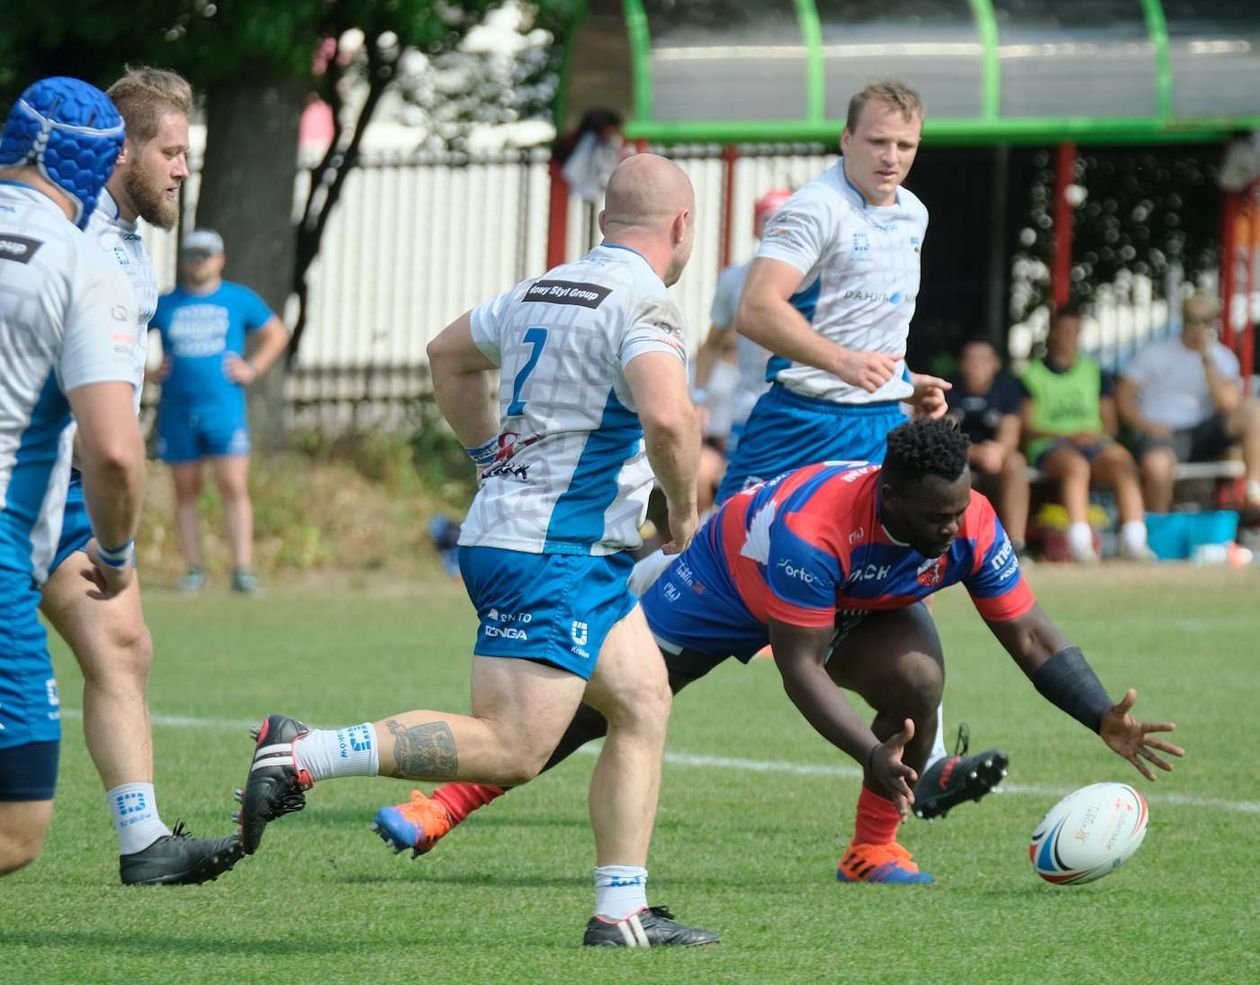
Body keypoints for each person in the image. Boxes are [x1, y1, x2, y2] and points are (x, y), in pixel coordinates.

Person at [237, 154, 718, 948]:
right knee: (514, 748)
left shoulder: (542, 289)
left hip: (537, 542)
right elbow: (670, 421)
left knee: (642, 698)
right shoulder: (648, 304)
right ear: (681, 227)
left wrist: (488, 450)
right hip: (554, 554)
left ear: (604, 220)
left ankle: (621, 909)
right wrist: (686, 513)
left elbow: (446, 353)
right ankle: (308, 749)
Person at [360, 420, 1184, 884]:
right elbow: (798, 666)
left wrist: (1099, 714)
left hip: (859, 597)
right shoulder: (815, 528)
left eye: (960, 508)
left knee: (919, 679)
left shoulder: (965, 518)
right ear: (888, 494)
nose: (954, 524)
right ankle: (449, 802)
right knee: (607, 700)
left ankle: (874, 847)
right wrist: (868, 750)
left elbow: (1032, 633)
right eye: (937, 514)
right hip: (728, 575)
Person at [708, 78, 998, 801]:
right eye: (877, 141)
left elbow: (876, 334)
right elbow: (756, 310)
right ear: (846, 139)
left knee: (892, 579)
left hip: (875, 426)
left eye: (905, 144)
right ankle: (589, 654)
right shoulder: (816, 209)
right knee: (704, 560)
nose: (891, 156)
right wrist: (843, 364)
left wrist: (907, 385)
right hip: (798, 423)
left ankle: (926, 767)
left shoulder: (915, 214)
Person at [35, 66, 244, 885]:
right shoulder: (74, 238)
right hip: (34, 481)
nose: (183, 170)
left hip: (60, 486)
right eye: (172, 151)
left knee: (121, 641)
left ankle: (143, 839)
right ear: (122, 149)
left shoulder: (123, 243)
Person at [0, 77, 144, 876]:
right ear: (94, 168)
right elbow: (114, 451)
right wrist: (115, 556)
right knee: (16, 826)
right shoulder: (83, 263)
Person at [148, 228, 291, 594]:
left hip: (224, 411)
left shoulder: (237, 299)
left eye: (206, 255)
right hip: (178, 412)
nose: (199, 262)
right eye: (193, 255)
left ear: (220, 258)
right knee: (186, 490)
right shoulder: (164, 304)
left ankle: (242, 568)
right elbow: (122, 334)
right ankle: (194, 568)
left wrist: (253, 368)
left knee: (233, 487)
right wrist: (146, 371)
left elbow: (276, 333)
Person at [1020, 305, 1153, 563]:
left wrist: (1091, 436)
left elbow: (1110, 425)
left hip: (1093, 441)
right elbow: (1027, 427)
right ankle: (1080, 544)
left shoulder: (1094, 371)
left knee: (1123, 462)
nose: (1071, 336)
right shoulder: (1031, 374)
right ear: (1052, 334)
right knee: (1075, 466)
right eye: (1066, 330)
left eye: (1076, 331)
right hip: (1051, 445)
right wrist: (1068, 435)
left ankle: (1134, 540)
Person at [1115, 291, 1260, 513]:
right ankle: (1158, 530)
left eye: (1204, 321)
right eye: (1191, 320)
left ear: (1213, 322)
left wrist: (1205, 358)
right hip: (1163, 433)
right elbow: (1123, 397)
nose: (1197, 326)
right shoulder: (1155, 352)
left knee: (1252, 409)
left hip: (1202, 433)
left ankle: (1254, 489)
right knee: (1157, 467)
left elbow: (1228, 403)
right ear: (1183, 319)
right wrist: (1145, 426)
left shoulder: (1222, 357)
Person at [946, 337, 1031, 555]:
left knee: (1016, 462)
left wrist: (999, 451)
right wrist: (975, 453)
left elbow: (1010, 430)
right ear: (961, 363)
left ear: (995, 364)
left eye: (983, 360)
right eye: (970, 359)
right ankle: (946, 545)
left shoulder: (1007, 388)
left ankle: (1016, 544)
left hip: (995, 459)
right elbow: (944, 434)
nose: (976, 365)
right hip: (959, 456)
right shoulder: (948, 389)